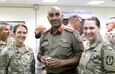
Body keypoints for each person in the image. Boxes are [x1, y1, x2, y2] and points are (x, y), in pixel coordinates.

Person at [37, 6, 84, 74]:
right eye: (51, 15)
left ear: (62, 16)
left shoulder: (72, 34)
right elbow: (40, 53)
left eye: (57, 14)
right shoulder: (44, 35)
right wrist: (41, 58)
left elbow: (80, 56)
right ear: (48, 18)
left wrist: (62, 62)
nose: (54, 18)